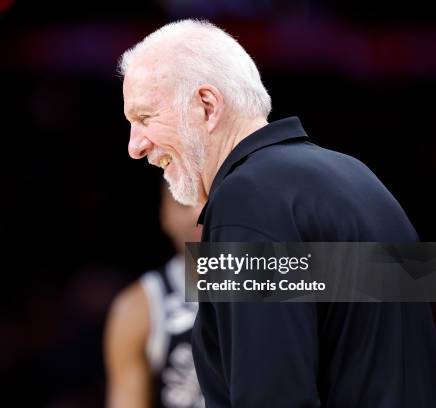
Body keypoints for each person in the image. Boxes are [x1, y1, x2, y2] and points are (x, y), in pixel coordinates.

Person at [118, 19, 436, 407]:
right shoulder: (354, 176)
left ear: (207, 106)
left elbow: (272, 396)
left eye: (145, 117)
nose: (135, 146)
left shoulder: (246, 199)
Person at [105, 186, 205, 408]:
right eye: (183, 201)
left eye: (214, 198)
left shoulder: (287, 274)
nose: (198, 213)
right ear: (164, 214)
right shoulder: (138, 307)